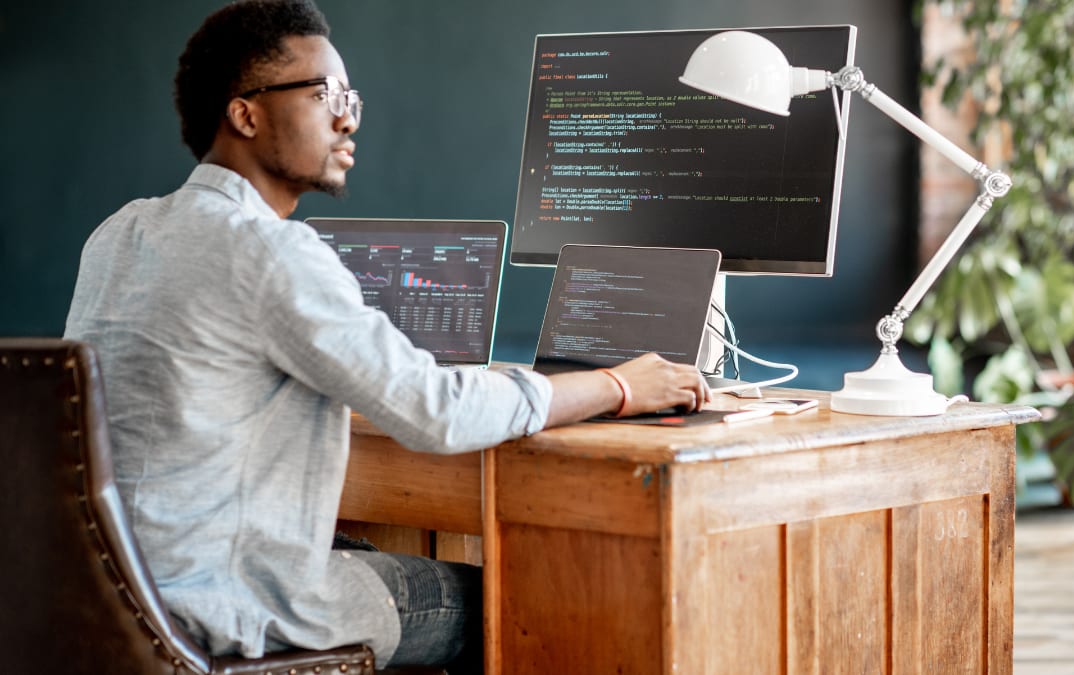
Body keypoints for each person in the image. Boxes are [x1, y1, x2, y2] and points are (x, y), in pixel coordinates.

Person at [62, 1, 709, 672]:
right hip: (225, 609)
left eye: (352, 98)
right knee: (512, 597)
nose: (347, 118)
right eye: (326, 95)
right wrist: (618, 385)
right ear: (245, 113)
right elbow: (436, 409)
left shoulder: (119, 233)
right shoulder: (269, 250)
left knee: (365, 556)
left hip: (106, 598)